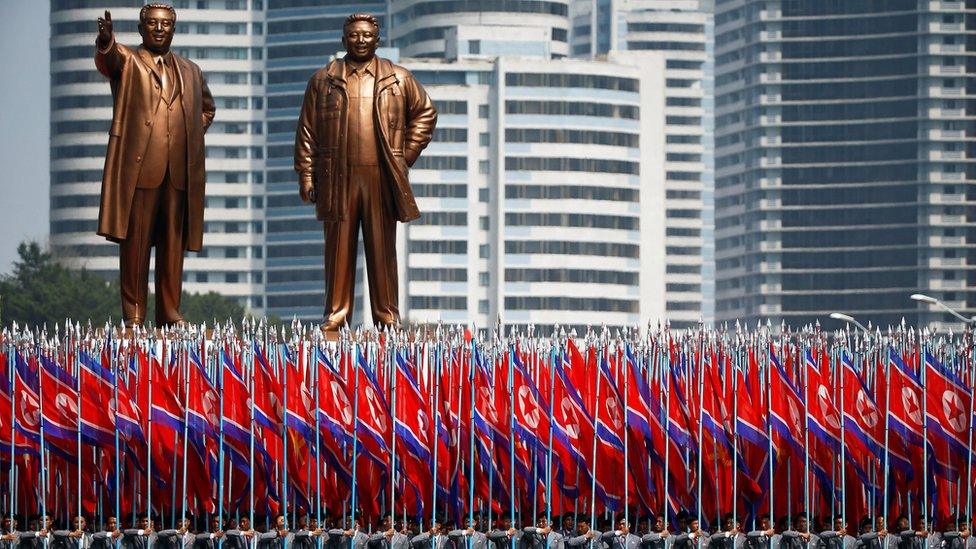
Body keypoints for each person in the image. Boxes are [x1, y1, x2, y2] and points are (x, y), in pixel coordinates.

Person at [293, 12, 438, 332]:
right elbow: (307, 131)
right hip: (336, 176)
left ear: (377, 39)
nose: (360, 40)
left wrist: (405, 155)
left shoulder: (397, 78)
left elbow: (426, 113)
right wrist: (306, 174)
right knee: (338, 249)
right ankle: (336, 313)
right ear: (344, 39)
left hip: (381, 175)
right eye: (354, 35)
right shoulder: (323, 79)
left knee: (382, 249)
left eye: (366, 35)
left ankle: (387, 316)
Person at [93, 2, 216, 326]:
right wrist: (106, 42)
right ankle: (134, 315)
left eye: (165, 24)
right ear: (141, 28)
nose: (159, 29)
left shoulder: (190, 71)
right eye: (153, 24)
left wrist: (189, 133)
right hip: (141, 169)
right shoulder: (130, 61)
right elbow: (109, 61)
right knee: (136, 246)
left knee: (172, 247)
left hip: (178, 173)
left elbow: (207, 109)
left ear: (173, 29)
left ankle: (169, 312)